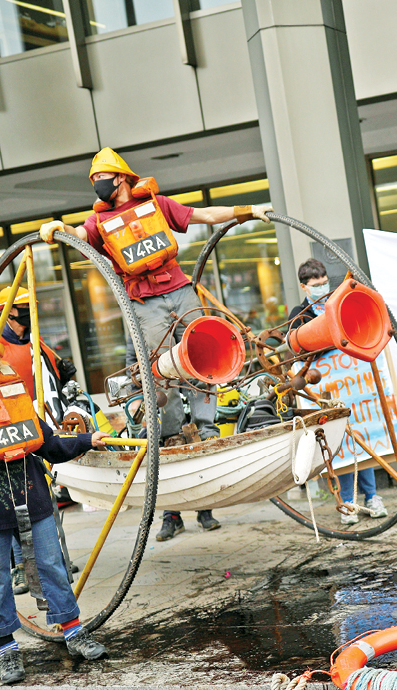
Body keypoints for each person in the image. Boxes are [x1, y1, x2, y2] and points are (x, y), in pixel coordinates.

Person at [40, 147, 271, 539]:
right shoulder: (99, 221)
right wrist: (58, 228)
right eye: (94, 180)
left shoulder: (156, 204)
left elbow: (203, 215)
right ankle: (171, 480)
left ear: (122, 178)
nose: (97, 185)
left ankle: (207, 435)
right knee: (161, 377)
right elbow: (78, 236)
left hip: (179, 290)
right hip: (143, 304)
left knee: (204, 359)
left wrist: (246, 211)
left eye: (102, 177)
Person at [0, 328, 110, 684]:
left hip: (34, 503)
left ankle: (74, 632)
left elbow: (49, 444)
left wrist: (88, 439)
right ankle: (7, 651)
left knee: (53, 568)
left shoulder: (15, 398)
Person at [0, 287, 80, 596]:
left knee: (42, 498)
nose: (30, 313)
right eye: (24, 307)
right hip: (4, 428)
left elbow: (52, 381)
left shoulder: (38, 343)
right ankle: (20, 565)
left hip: (37, 426)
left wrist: (65, 376)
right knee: (12, 501)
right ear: (8, 311)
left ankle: (57, 558)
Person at [288, 258, 387, 525]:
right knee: (337, 443)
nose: (322, 287)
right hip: (326, 388)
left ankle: (371, 496)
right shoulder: (299, 313)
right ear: (304, 287)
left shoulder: (337, 302)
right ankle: (348, 501)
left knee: (360, 437)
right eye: (316, 285)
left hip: (351, 385)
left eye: (324, 283)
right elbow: (297, 346)